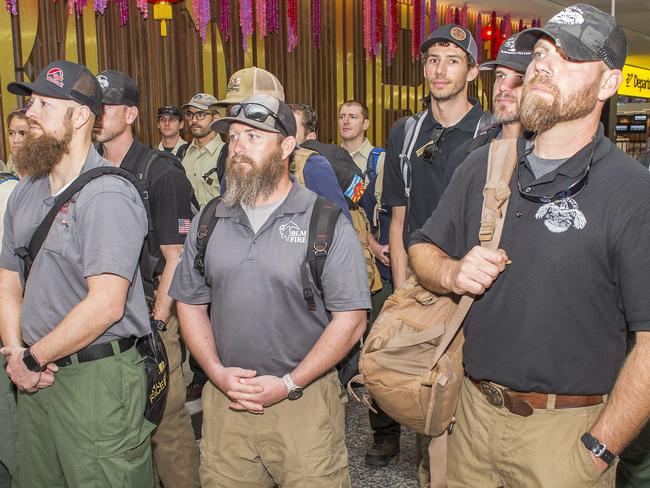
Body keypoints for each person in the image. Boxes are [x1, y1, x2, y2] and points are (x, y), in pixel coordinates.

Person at [409, 5, 650, 486]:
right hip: (472, 419)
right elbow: (421, 249)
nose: (543, 64)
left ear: (607, 85)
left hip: (565, 437)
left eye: (568, 57)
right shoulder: (484, 166)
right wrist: (453, 273)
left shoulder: (631, 191)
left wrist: (599, 449)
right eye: (541, 52)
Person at [169, 94, 370, 487]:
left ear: (286, 146)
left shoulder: (323, 221)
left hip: (304, 402)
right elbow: (189, 303)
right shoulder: (211, 218)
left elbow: (351, 320)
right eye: (234, 137)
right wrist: (215, 372)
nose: (238, 146)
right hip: (228, 404)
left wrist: (289, 382)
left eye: (254, 135)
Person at [0, 60, 154, 487]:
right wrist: (17, 354)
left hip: (96, 381)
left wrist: (33, 358)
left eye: (45, 105)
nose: (30, 113)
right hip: (34, 377)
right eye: (30, 103)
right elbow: (7, 279)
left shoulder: (108, 193)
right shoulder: (26, 191)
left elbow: (106, 303)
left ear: (81, 115)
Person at [380, 25, 484, 473]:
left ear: (473, 71)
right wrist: (403, 297)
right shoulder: (405, 134)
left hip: (480, 290)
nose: (440, 70)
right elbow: (399, 220)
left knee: (476, 404)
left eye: (453, 60)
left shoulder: (493, 131)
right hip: (424, 288)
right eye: (432, 60)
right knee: (430, 406)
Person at [93, 69, 200, 488]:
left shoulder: (160, 171)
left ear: (132, 113)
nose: (98, 114)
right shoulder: (91, 170)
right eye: (93, 107)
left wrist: (158, 322)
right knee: (121, 426)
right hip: (103, 316)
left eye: (108, 106)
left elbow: (177, 257)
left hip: (152, 314)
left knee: (167, 422)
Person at [338, 99, 398, 467]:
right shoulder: (323, 160)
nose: (346, 121)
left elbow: (392, 209)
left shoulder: (380, 161)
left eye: (353, 116)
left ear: (366, 122)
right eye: (342, 116)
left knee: (377, 352)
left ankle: (384, 433)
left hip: (375, 268)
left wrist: (376, 246)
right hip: (339, 266)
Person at [213, 67, 351, 221]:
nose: (240, 116)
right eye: (233, 110)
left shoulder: (311, 167)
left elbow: (338, 229)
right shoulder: (234, 169)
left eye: (252, 108)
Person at [446, 33, 532, 181]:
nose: (503, 87)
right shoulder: (467, 156)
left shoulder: (553, 159)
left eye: (520, 77)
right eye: (500, 76)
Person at [180, 93, 224, 207]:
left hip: (217, 223)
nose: (194, 120)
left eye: (200, 114)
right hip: (187, 224)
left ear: (216, 117)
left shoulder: (227, 153)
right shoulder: (182, 152)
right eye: (190, 114)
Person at [4, 108, 30, 175]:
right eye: (11, 133)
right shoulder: (12, 159)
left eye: (22, 133)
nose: (15, 140)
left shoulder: (43, 167)